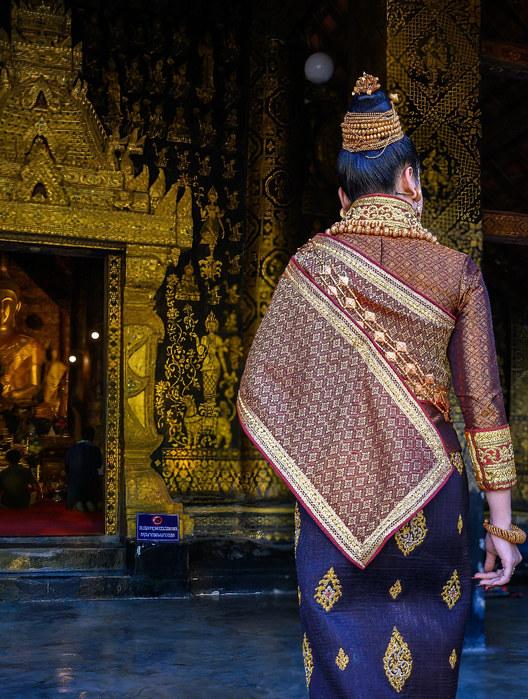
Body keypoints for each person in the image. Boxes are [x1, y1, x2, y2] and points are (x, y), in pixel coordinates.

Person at [237, 73, 524, 698]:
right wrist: (502, 529)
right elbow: (483, 404)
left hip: (333, 495)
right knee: (427, 657)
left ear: (344, 197)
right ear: (411, 181)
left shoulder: (310, 266)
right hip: (433, 491)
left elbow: (266, 385)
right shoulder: (457, 272)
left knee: (342, 660)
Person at [65, 427, 102, 512]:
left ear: (81, 436)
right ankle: (88, 504)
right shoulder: (95, 450)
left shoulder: (72, 449)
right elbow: (99, 464)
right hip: (90, 485)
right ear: (93, 437)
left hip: (74, 487)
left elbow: (67, 467)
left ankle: (79, 504)